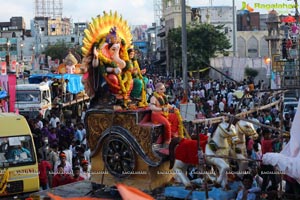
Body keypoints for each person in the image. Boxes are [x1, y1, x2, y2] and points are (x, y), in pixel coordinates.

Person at [150, 82, 181, 148]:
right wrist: (162, 109)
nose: (163, 90)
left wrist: (173, 107)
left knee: (175, 117)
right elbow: (152, 107)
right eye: (161, 89)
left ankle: (173, 134)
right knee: (167, 124)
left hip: (164, 114)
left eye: (164, 89)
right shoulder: (153, 98)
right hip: (156, 115)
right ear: (157, 90)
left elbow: (167, 105)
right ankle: (167, 142)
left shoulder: (163, 96)